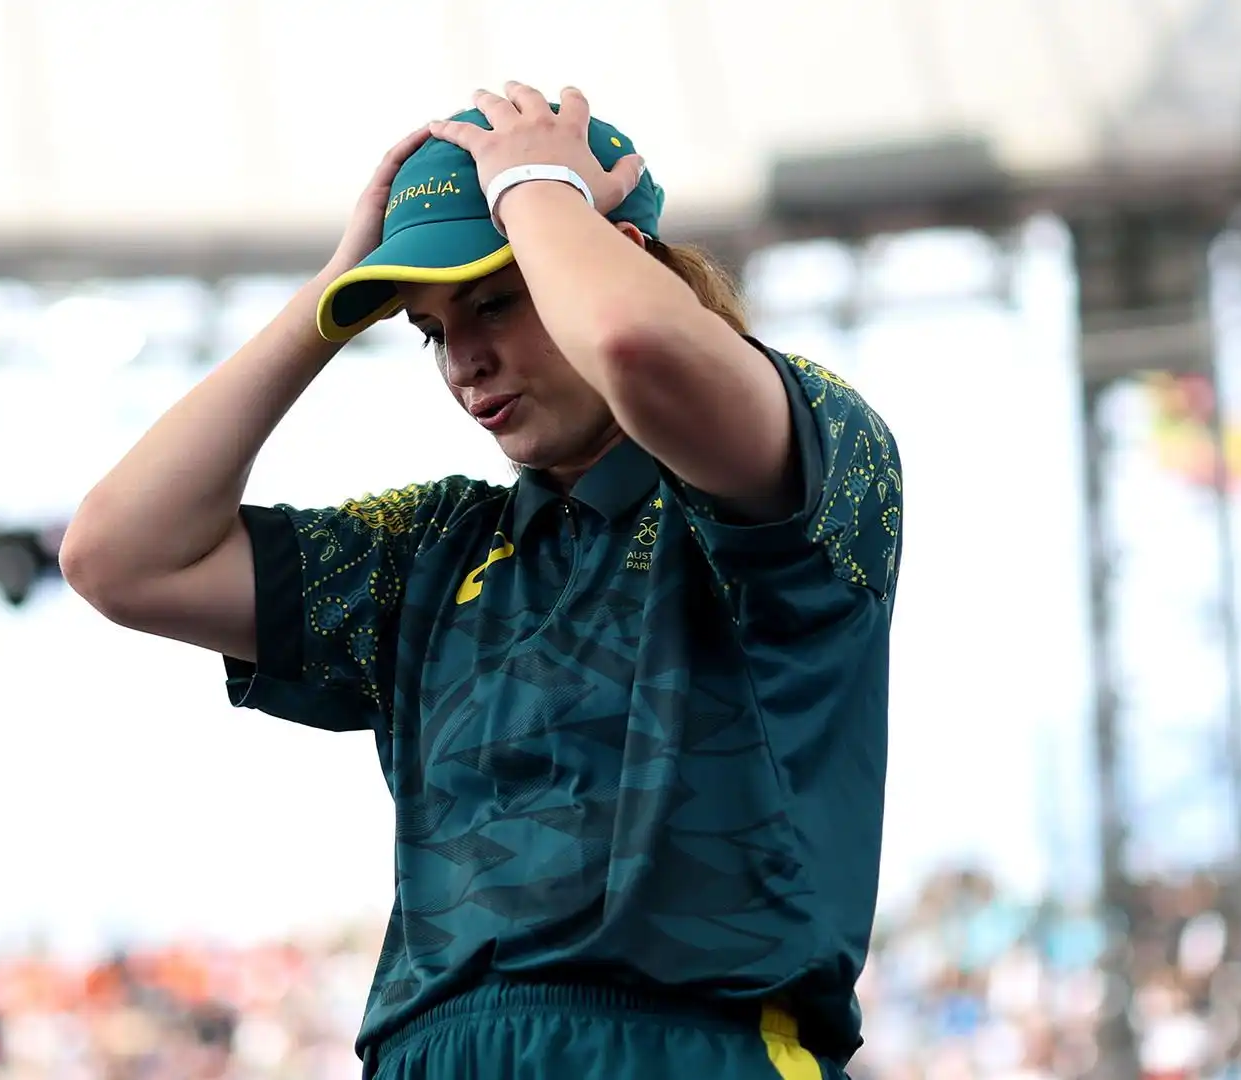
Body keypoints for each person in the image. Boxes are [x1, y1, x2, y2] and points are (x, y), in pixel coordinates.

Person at [61, 83, 904, 1080]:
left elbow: (639, 345)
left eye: (496, 300)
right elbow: (117, 554)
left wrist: (537, 187)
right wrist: (335, 292)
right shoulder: (434, 546)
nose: (464, 361)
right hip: (432, 1054)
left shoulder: (808, 444)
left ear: (612, 256)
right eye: (427, 327)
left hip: (683, 1048)